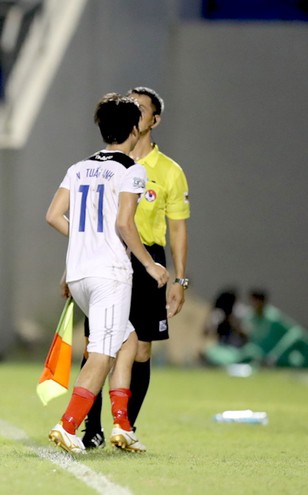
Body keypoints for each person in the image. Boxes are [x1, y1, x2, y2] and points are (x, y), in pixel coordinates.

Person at [45, 94, 169, 454]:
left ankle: (122, 426)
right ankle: (68, 425)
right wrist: (150, 264)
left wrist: (85, 238)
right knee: (102, 353)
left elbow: (53, 215)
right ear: (134, 128)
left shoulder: (78, 168)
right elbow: (124, 224)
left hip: (80, 273)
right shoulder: (133, 170)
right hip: (110, 274)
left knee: (126, 341)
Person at [80, 86, 191, 449]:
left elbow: (178, 227)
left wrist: (180, 278)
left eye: (141, 108)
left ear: (154, 120)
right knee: (97, 346)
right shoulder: (106, 163)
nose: (134, 112)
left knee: (141, 349)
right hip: (109, 257)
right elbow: (90, 221)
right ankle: (91, 428)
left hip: (149, 262)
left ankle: (126, 426)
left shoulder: (170, 172)